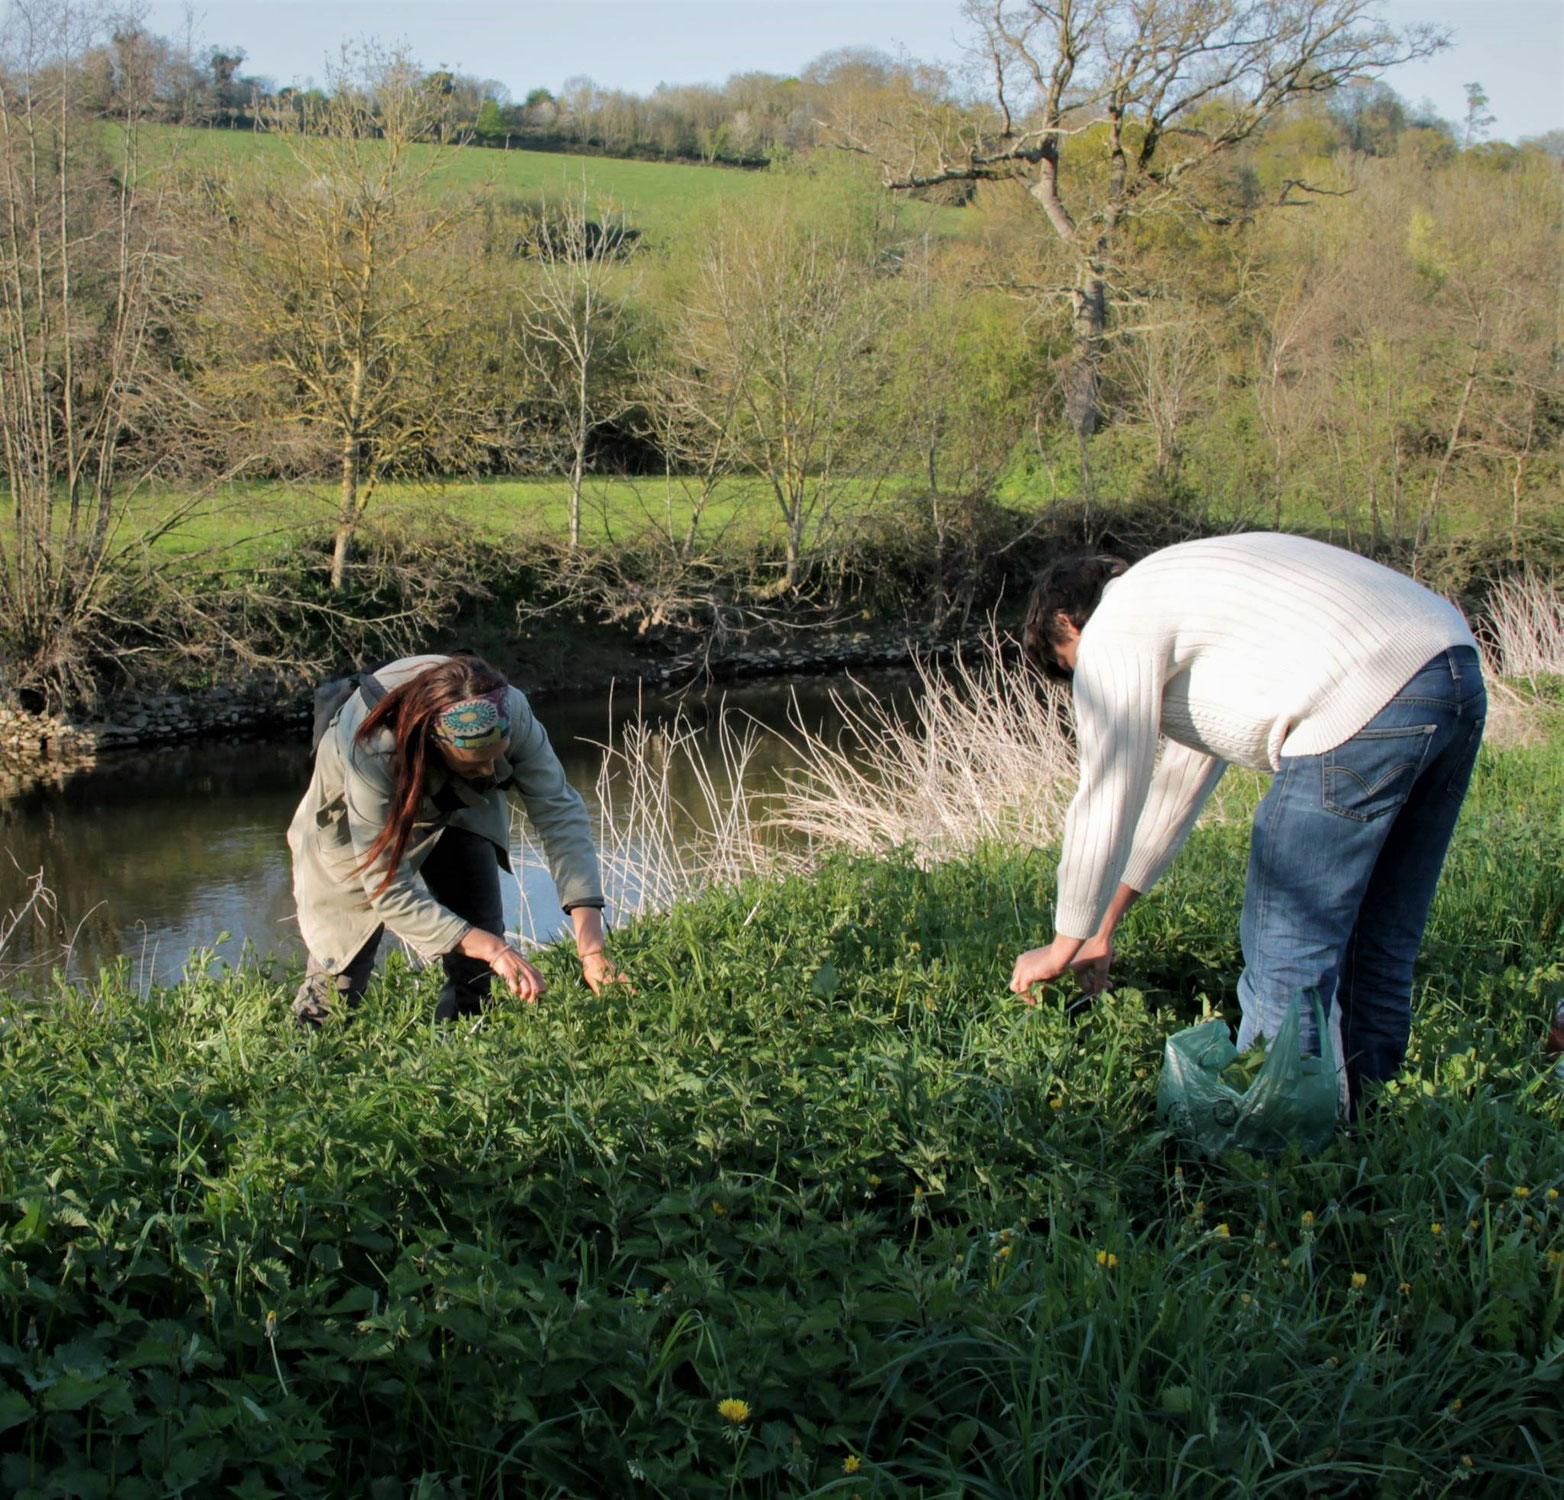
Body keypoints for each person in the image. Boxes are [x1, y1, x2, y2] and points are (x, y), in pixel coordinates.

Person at [1009, 532, 1486, 1112]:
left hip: (1364, 691)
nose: (1085, 679)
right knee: (1379, 937)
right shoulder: (1189, 605)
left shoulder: (1117, 624)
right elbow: (1175, 791)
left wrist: (1061, 945)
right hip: (1451, 669)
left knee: (1288, 949)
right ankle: (1369, 1124)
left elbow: (1110, 790)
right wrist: (1101, 926)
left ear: (1069, 622)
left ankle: (1279, 1156)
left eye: (1071, 666)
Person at [288, 652, 622, 1025]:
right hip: (355, 822)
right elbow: (388, 889)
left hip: (457, 801)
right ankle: (306, 1057)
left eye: (496, 758)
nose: (492, 773)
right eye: (475, 763)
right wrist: (496, 950)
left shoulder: (508, 709)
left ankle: (463, 1045)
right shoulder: (374, 748)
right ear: (436, 744)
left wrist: (591, 949)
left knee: (477, 942)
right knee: (340, 969)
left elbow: (560, 813)